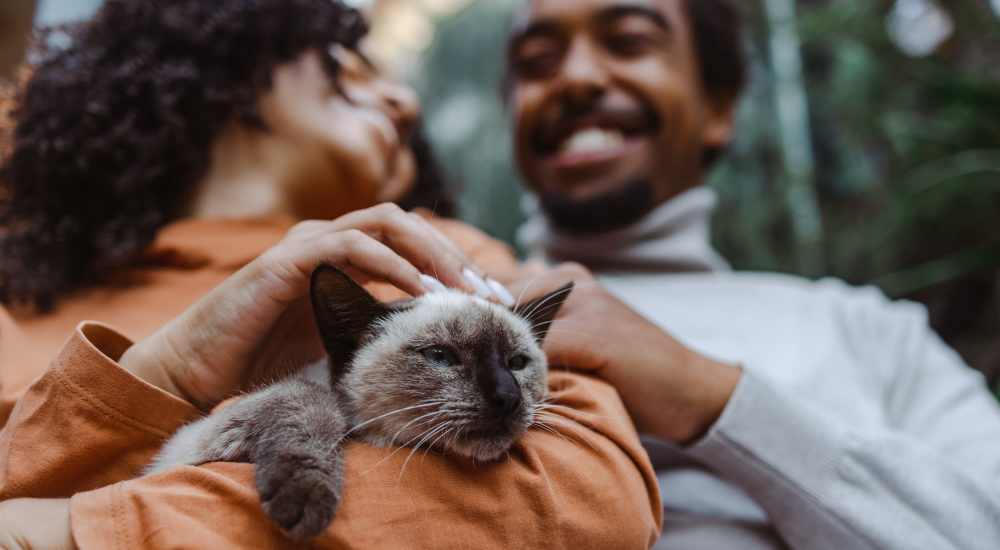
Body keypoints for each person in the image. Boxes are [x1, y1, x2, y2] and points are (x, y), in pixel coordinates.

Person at [0, 1, 660, 548]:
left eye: (405, 99)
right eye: (354, 67)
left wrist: (69, 533)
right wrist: (170, 369)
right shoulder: (17, 310)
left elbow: (596, 497)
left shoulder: (445, 262)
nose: (403, 99)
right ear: (227, 60)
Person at [498, 1, 1000, 549]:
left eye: (629, 42)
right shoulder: (448, 314)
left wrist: (708, 398)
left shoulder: (872, 331)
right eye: (538, 60)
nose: (576, 77)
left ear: (719, 107)